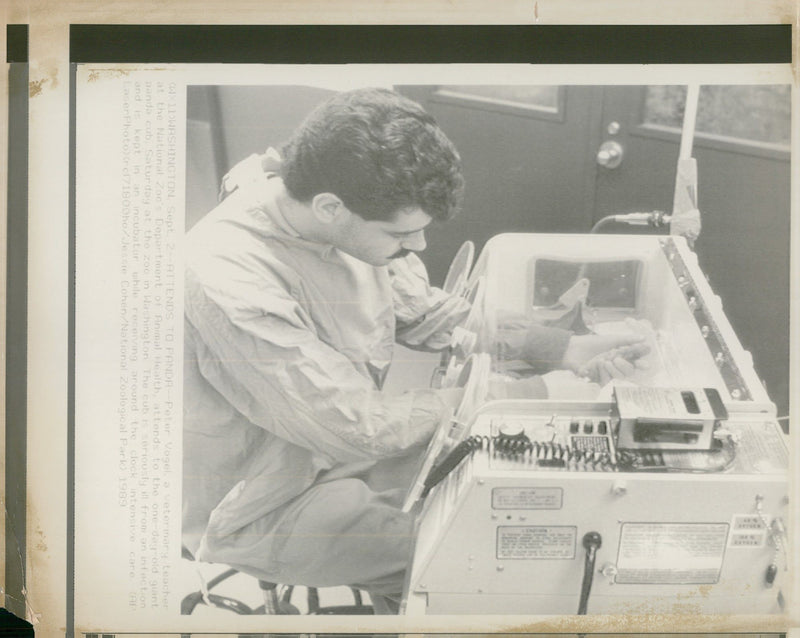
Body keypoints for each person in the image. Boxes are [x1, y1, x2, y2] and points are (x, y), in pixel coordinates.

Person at [183, 87, 647, 612]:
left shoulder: (321, 205)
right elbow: (355, 424)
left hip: (335, 450)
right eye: (402, 234)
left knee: (507, 515)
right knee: (477, 561)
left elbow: (423, 311)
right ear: (330, 208)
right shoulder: (228, 276)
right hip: (266, 500)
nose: (420, 247)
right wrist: (522, 394)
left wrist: (566, 349)